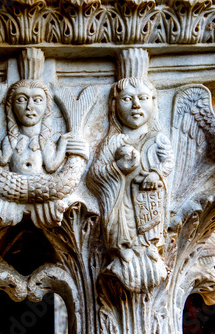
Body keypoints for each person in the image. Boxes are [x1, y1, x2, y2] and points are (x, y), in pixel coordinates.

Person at [88, 76, 174, 292]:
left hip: (148, 193)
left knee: (151, 220)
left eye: (143, 98)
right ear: (114, 105)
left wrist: (157, 174)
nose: (136, 105)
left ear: (153, 102)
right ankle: (122, 248)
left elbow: (168, 161)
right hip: (120, 195)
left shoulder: (157, 138)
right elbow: (96, 173)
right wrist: (118, 169)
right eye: (127, 99)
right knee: (119, 218)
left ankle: (151, 247)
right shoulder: (113, 141)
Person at [0, 79, 86, 175]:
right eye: (21, 100)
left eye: (37, 100)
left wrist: (63, 142)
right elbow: (2, 159)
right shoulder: (11, 139)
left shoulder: (45, 141)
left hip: (39, 187)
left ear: (47, 108)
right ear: (10, 107)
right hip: (13, 186)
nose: (29, 107)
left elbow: (51, 167)